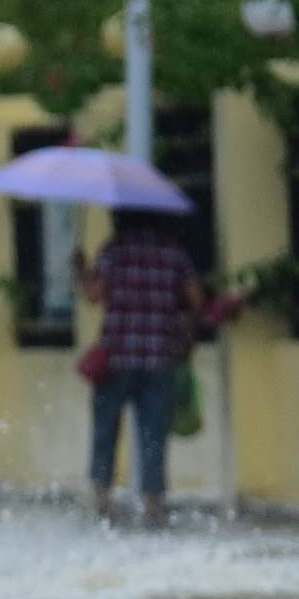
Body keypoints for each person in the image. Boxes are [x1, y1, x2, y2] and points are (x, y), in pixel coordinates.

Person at [75, 209, 204, 528]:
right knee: (153, 435)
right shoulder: (173, 253)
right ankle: (153, 507)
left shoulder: (113, 251)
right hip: (160, 357)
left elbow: (93, 295)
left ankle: (103, 501)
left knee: (106, 431)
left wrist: (81, 270)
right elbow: (195, 298)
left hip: (116, 358)